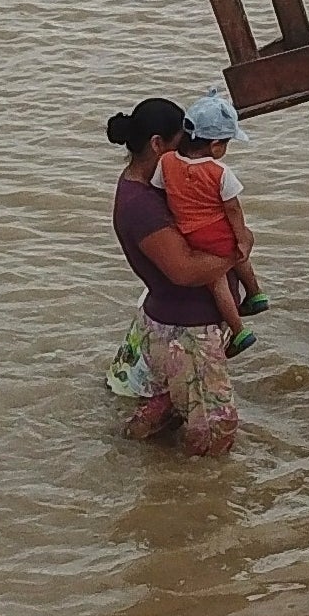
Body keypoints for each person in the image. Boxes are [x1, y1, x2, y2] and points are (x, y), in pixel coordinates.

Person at [106, 97, 241, 456]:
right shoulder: (142, 206)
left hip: (171, 322)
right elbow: (184, 270)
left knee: (168, 411)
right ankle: (197, 489)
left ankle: (137, 463)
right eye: (182, 142)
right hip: (186, 329)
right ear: (157, 144)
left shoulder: (155, 186)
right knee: (217, 431)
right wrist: (237, 251)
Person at [155, 89, 267, 356]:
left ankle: (240, 328)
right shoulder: (220, 172)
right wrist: (241, 237)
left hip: (194, 235)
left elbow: (158, 187)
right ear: (216, 146)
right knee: (236, 254)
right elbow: (233, 208)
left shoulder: (167, 161)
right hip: (221, 230)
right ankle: (252, 300)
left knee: (216, 282)